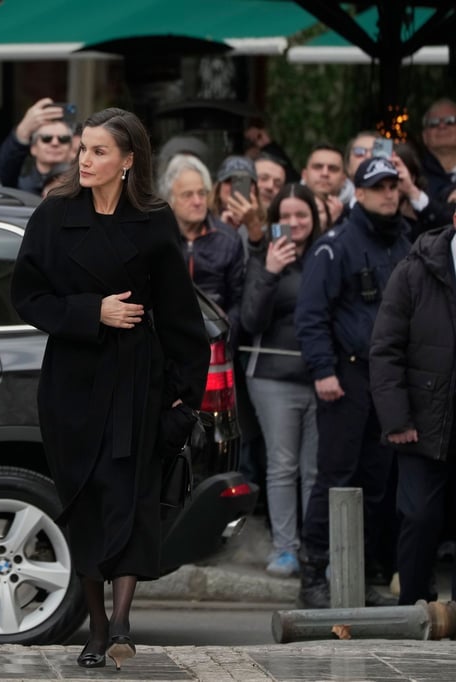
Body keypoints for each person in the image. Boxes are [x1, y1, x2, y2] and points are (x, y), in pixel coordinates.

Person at [11, 108, 209, 671]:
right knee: (86, 502)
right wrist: (91, 311)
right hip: (72, 380)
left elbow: (180, 315)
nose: (86, 159)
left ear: (128, 161)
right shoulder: (54, 215)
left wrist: (182, 393)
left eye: (99, 151)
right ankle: (96, 625)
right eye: (83, 149)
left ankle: (120, 621)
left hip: (135, 381)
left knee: (131, 496)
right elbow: (28, 297)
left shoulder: (152, 219)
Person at [294, 157, 411, 609]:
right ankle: (313, 577)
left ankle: (355, 578)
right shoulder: (336, 245)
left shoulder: (404, 242)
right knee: (335, 479)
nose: (388, 193)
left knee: (375, 483)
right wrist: (323, 370)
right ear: (357, 194)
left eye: (392, 186)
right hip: (345, 376)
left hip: (387, 379)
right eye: (378, 187)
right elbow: (311, 316)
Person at [370, 209, 456, 605]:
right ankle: (411, 611)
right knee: (419, 518)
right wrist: (397, 419)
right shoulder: (414, 270)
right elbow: (386, 350)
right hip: (422, 423)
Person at [241, 183, 323, 578]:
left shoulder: (326, 254)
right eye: (285, 217)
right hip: (273, 376)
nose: (293, 224)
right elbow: (250, 320)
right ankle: (285, 548)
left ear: (314, 218)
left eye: (301, 216)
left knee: (314, 469)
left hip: (321, 377)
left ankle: (314, 548)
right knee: (282, 465)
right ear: (274, 222)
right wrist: (271, 272)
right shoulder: (262, 258)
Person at [160, 153, 245, 339]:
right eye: (187, 195)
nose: (198, 201)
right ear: (170, 200)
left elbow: (238, 301)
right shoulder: (158, 238)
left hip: (217, 342)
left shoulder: (228, 240)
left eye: (202, 193)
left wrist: (227, 336)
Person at [0, 97, 75, 195]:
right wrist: (23, 131)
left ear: (71, 148)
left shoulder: (81, 184)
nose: (55, 143)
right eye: (46, 138)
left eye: (63, 139)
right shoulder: (18, 186)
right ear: (33, 148)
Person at [211, 154, 264, 243]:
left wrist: (253, 225)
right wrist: (222, 229)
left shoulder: (268, 226)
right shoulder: (204, 222)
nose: (235, 187)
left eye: (244, 182)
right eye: (229, 180)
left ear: (255, 189)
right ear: (218, 188)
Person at [419, 98, 456, 201]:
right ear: (424, 136)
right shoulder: (414, 174)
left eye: (450, 121)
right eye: (433, 123)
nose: (442, 126)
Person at [301, 144, 347, 226]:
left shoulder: (356, 214)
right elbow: (278, 238)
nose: (325, 173)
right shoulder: (284, 205)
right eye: (317, 167)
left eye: (333, 169)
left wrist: (338, 223)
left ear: (343, 179)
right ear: (304, 175)